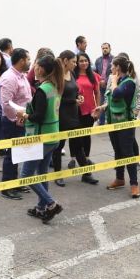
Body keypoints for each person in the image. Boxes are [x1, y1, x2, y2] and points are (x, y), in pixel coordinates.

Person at [19, 55, 65, 224]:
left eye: (36, 65)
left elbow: (38, 116)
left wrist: (24, 114)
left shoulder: (42, 90)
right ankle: (41, 208)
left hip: (42, 137)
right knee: (42, 173)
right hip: (53, 135)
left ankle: (51, 204)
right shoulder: (54, 86)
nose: (34, 68)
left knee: (26, 175)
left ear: (41, 69)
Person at [93, 56, 140, 199]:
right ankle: (119, 178)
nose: (111, 69)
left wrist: (113, 81)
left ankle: (134, 184)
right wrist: (101, 108)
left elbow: (118, 93)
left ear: (118, 68)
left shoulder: (129, 82)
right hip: (113, 122)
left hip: (125, 124)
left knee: (128, 153)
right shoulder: (118, 81)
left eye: (113, 66)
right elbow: (112, 100)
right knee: (118, 151)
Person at [0, 48, 33, 200]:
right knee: (11, 155)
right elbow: (6, 103)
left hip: (23, 120)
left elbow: (25, 98)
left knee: (19, 154)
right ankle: (7, 187)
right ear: (21, 61)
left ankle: (16, 182)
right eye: (28, 59)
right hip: (13, 121)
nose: (30, 62)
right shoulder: (9, 77)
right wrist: (17, 118)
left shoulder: (22, 76)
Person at [52, 50, 88, 187]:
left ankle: (86, 173)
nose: (75, 64)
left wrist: (78, 96)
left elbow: (74, 90)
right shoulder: (55, 76)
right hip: (61, 116)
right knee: (58, 146)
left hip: (74, 115)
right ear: (65, 61)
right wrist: (73, 101)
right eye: (73, 61)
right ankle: (58, 175)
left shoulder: (71, 73)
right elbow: (56, 99)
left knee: (78, 145)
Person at [74, 52, 100, 185]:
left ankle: (85, 159)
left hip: (90, 112)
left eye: (86, 61)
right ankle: (85, 170)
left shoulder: (93, 75)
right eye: (81, 61)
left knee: (86, 137)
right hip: (76, 112)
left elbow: (97, 92)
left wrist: (98, 108)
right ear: (76, 63)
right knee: (78, 140)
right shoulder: (73, 75)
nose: (84, 63)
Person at [94, 43, 113, 126]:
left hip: (110, 84)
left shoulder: (114, 59)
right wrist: (99, 81)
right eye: (103, 48)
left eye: (106, 48)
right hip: (100, 85)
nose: (105, 49)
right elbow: (95, 72)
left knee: (110, 102)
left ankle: (110, 121)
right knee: (101, 103)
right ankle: (101, 122)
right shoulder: (98, 60)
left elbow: (114, 72)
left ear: (110, 49)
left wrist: (106, 81)